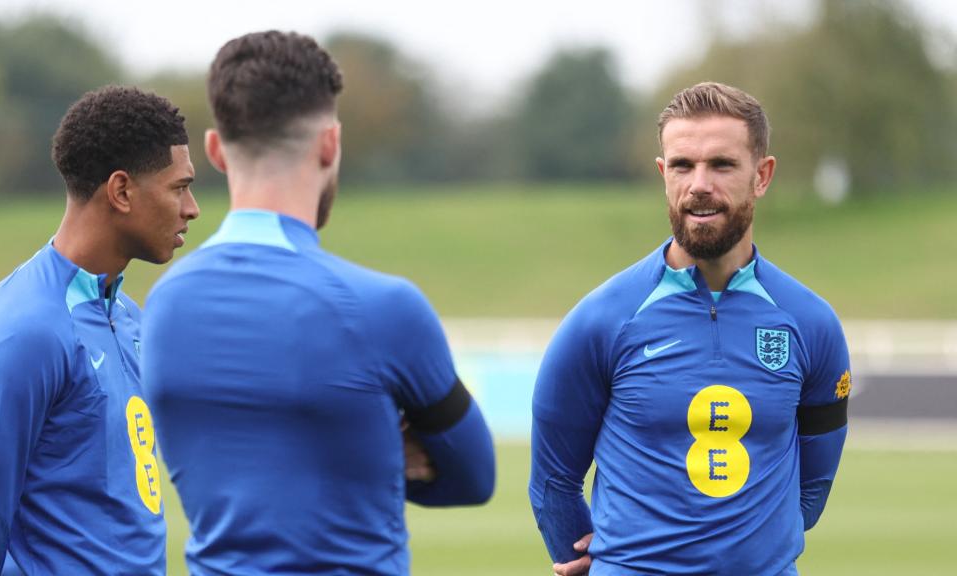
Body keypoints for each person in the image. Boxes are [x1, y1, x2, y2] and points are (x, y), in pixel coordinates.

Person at [140, 30, 495, 575]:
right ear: (330, 144)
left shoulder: (163, 305)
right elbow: (474, 476)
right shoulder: (385, 307)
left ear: (214, 151)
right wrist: (374, 456)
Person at [529, 82, 851, 575]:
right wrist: (598, 559)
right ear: (664, 174)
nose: (699, 184)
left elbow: (813, 489)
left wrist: (748, 552)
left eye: (721, 165)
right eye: (682, 165)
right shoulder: (601, 320)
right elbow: (553, 481)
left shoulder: (811, 324)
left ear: (761, 176)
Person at [0, 85, 199, 575]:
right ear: (121, 191)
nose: (192, 208)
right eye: (179, 187)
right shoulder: (29, 327)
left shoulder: (126, 315)